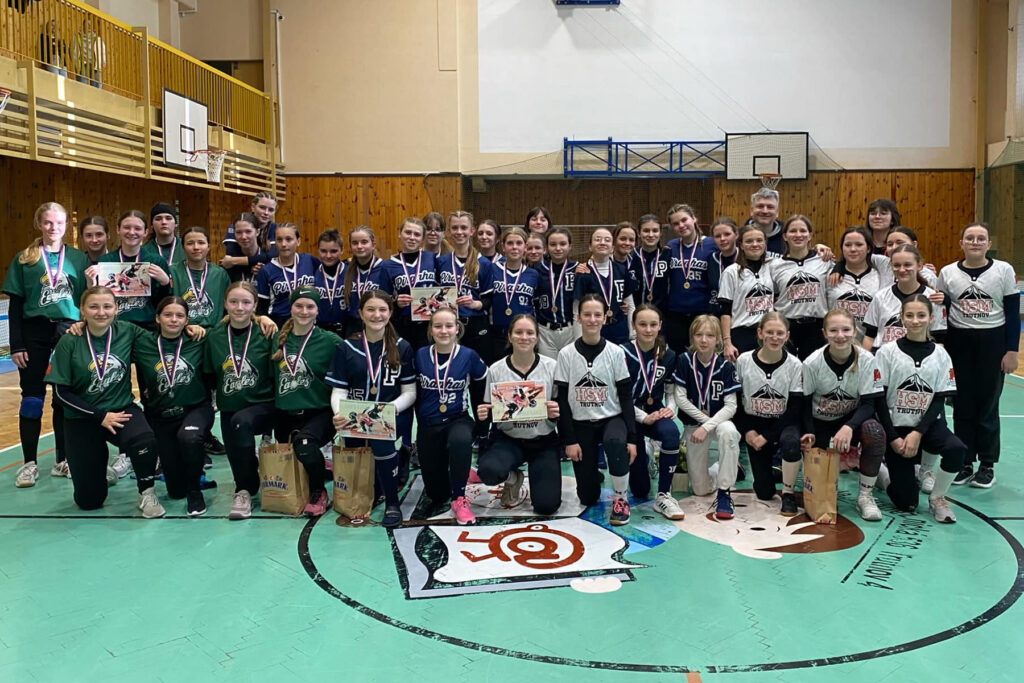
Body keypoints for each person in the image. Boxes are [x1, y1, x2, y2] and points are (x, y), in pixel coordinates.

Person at [45, 286, 164, 517]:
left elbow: (164, 338)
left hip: (120, 410)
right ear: (82, 310)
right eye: (94, 307)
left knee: (144, 439)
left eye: (107, 306)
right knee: (89, 501)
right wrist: (99, 416)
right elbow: (60, 393)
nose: (101, 312)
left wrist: (192, 328)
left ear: (116, 309)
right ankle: (99, 473)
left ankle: (147, 491)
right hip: (82, 418)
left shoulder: (127, 331)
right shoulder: (69, 341)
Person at [3, 202, 89, 487]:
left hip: (69, 330)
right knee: (32, 399)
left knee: (64, 398)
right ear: (38, 223)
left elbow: (87, 300)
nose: (54, 227)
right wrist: (16, 344)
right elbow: (16, 306)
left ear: (67, 226)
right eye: (48, 222)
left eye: (59, 223)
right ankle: (29, 464)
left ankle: (63, 460)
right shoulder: (24, 258)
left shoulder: (78, 258)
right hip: (34, 332)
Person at [937, 222, 1019, 488]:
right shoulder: (948, 272)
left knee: (987, 405)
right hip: (959, 342)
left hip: (992, 342)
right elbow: (942, 310)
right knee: (962, 405)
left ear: (988, 244)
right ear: (961, 243)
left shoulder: (1003, 270)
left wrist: (1012, 350)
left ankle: (987, 464)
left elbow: (1012, 313)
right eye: (969, 238)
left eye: (980, 238)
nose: (975, 242)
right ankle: (965, 461)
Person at [327, 290, 417, 528]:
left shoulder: (402, 347)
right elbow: (339, 390)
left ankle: (393, 503)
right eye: (370, 309)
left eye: (382, 310)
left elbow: (410, 392)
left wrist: (389, 410)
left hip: (391, 416)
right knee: (358, 454)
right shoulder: (347, 347)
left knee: (380, 441)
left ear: (390, 313)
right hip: (355, 417)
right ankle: (366, 494)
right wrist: (339, 413)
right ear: (360, 313)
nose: (377, 315)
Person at [874, 295, 964, 523]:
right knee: (907, 504)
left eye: (921, 315)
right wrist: (893, 438)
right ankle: (884, 476)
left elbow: (939, 399)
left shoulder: (941, 355)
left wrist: (918, 433)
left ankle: (937, 498)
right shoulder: (887, 352)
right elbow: (879, 399)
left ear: (931, 318)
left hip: (927, 426)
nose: (915, 321)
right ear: (901, 318)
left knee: (956, 449)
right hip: (896, 429)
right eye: (910, 315)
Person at [555, 294, 638, 525]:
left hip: (611, 418)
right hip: (581, 423)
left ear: (605, 318)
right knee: (588, 497)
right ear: (579, 318)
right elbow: (562, 400)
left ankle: (620, 498)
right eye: (587, 314)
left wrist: (632, 438)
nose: (592, 319)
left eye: (597, 315)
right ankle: (592, 474)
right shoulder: (566, 354)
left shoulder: (616, 352)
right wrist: (569, 440)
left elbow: (626, 397)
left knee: (615, 442)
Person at [801, 309, 887, 521]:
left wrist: (849, 427)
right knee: (824, 499)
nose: (840, 335)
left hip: (850, 422)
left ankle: (865, 495)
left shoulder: (866, 359)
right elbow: (804, 404)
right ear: (824, 333)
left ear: (855, 331)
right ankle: (855, 463)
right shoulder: (812, 362)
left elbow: (869, 404)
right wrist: (809, 433)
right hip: (820, 423)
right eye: (833, 330)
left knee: (874, 431)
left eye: (846, 330)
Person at [475, 315, 562, 515]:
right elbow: (492, 411)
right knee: (488, 471)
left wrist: (554, 412)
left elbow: (561, 407)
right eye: (519, 332)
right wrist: (484, 415)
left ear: (537, 338)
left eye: (530, 333)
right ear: (510, 336)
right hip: (509, 440)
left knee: (547, 506)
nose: (524, 337)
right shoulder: (496, 369)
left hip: (543, 441)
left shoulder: (551, 366)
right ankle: (513, 478)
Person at [204, 282, 276, 520]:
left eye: (246, 302)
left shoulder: (266, 332)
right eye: (233, 302)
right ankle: (244, 488)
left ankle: (246, 487)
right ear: (225, 304)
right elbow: (210, 374)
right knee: (235, 450)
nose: (239, 307)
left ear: (255, 306)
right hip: (230, 404)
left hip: (263, 404)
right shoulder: (214, 336)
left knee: (241, 422)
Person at [134, 296, 212, 516]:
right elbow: (111, 327)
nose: (174, 320)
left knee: (190, 438)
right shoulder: (142, 342)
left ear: (187, 320)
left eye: (180, 316)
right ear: (157, 318)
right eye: (168, 315)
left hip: (194, 409)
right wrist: (81, 323)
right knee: (176, 491)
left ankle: (195, 491)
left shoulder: (199, 339)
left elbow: (232, 326)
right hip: (160, 415)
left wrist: (262, 318)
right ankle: (184, 483)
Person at [271, 287, 342, 517]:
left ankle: (318, 491)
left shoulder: (330, 341)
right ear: (290, 308)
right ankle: (321, 466)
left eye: (310, 306)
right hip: (285, 413)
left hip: (319, 412)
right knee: (293, 456)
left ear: (317, 310)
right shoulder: (276, 339)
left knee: (304, 445)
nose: (304, 311)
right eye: (298, 306)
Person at [414, 307, 488, 524]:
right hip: (429, 423)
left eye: (449, 326)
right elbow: (413, 393)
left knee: (460, 440)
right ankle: (461, 470)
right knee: (437, 494)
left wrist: (483, 425)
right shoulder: (420, 355)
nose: (444, 331)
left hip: (458, 418)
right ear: (431, 330)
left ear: (457, 328)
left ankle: (459, 498)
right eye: (438, 326)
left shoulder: (468, 355)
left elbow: (482, 386)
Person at [734, 313, 804, 515]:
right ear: (760, 333)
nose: (775, 337)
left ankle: (788, 494)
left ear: (787, 336)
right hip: (754, 425)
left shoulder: (795, 365)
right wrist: (748, 431)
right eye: (769, 332)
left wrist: (767, 436)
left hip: (783, 423)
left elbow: (794, 409)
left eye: (780, 333)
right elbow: (737, 402)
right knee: (764, 492)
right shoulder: (744, 361)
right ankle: (774, 472)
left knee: (791, 443)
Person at [673, 315, 742, 519]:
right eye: (699, 335)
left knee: (729, 432)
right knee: (700, 490)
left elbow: (731, 406)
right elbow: (680, 399)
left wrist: (708, 426)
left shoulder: (726, 366)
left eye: (710, 335)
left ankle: (724, 492)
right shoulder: (684, 361)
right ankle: (724, 467)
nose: (704, 340)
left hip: (719, 424)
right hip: (695, 427)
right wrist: (705, 424)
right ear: (692, 337)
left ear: (718, 339)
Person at [622, 305, 682, 520]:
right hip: (628, 413)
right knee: (640, 491)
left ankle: (664, 494)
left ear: (660, 326)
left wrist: (669, 408)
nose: (648, 330)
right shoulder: (622, 353)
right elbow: (619, 396)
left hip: (654, 410)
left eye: (653, 325)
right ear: (634, 326)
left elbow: (670, 390)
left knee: (671, 433)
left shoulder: (668, 355)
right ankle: (646, 452)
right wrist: (643, 417)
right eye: (643, 324)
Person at [93, 210, 172, 330]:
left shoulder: (156, 261)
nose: (131, 232)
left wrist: (165, 283)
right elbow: (98, 297)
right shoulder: (105, 260)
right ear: (118, 229)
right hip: (114, 326)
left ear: (145, 232)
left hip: (147, 326)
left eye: (137, 228)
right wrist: (91, 283)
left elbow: (165, 302)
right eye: (126, 227)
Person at [862, 244, 946, 349]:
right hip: (883, 356)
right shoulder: (880, 297)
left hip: (919, 356)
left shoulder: (933, 297)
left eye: (907, 265)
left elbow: (938, 340)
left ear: (919, 265)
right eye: (896, 265)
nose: (901, 270)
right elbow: (869, 336)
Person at [771, 215, 830, 359]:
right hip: (787, 326)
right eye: (793, 231)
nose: (798, 235)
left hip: (817, 327)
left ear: (810, 235)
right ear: (785, 236)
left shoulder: (824, 260)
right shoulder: (774, 265)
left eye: (803, 231)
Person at [437, 210, 492, 359]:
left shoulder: (484, 263)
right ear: (448, 231)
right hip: (448, 324)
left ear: (472, 231)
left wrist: (474, 304)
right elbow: (435, 294)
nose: (459, 232)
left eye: (463, 228)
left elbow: (488, 300)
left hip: (475, 323)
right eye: (455, 228)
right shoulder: (441, 262)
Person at [719, 225, 775, 361]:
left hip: (768, 332)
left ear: (765, 243)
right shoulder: (731, 272)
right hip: (742, 333)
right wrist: (727, 343)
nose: (755, 244)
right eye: (749, 241)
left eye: (759, 240)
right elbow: (725, 311)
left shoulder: (773, 266)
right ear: (741, 245)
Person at [827, 226, 893, 342]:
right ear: (842, 248)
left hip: (871, 343)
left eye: (859, 244)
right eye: (848, 245)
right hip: (838, 342)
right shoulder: (830, 275)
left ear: (868, 248)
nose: (853, 249)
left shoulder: (879, 275)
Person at [664, 204, 715, 352]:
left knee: (702, 353)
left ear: (693, 218)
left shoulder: (711, 244)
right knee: (678, 355)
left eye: (684, 220)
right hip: (675, 313)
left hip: (702, 312)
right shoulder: (671, 246)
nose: (681, 225)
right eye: (675, 223)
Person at [575, 226, 635, 345]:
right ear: (590, 246)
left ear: (612, 248)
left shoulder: (622, 270)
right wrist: (578, 339)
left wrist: (633, 334)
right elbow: (576, 310)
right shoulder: (583, 273)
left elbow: (630, 304)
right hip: (594, 330)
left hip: (620, 329)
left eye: (607, 240)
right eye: (597, 239)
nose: (602, 242)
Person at [487, 228, 539, 364]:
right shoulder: (492, 269)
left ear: (525, 247)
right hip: (498, 332)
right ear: (503, 247)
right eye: (510, 243)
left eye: (519, 243)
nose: (514, 247)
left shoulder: (533, 274)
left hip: (524, 334)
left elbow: (536, 304)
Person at [384, 217, 437, 349]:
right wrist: (396, 302)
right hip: (403, 324)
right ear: (400, 234)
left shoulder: (432, 259)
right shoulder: (388, 265)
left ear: (423, 238)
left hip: (429, 323)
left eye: (417, 234)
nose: (412, 237)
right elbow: (383, 299)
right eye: (408, 232)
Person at [254, 223, 319, 326]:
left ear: (298, 241)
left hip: (308, 320)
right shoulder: (266, 270)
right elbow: (261, 309)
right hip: (279, 323)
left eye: (288, 239)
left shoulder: (309, 260)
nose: (283, 244)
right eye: (279, 240)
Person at [170, 227, 230, 329]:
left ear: (208, 247)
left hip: (214, 332)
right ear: (183, 247)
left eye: (201, 243)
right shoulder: (173, 272)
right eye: (190, 243)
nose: (196, 247)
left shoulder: (220, 274)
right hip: (182, 331)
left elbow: (229, 304)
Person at [533, 227, 579, 359]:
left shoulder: (578, 269)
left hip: (571, 329)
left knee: (570, 367)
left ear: (570, 246)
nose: (558, 248)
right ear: (546, 247)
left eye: (563, 244)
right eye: (553, 244)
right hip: (545, 331)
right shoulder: (537, 269)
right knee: (548, 368)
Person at [341, 226, 390, 337]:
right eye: (355, 243)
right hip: (353, 327)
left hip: (378, 324)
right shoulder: (345, 269)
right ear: (350, 246)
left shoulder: (385, 268)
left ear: (373, 245)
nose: (359, 246)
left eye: (364, 242)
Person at [631, 214, 671, 312]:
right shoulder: (631, 256)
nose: (651, 235)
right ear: (638, 233)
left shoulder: (668, 255)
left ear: (660, 233)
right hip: (635, 313)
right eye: (646, 230)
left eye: (655, 230)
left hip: (662, 313)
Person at [223, 191, 278, 258]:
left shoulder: (277, 229)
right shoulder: (238, 226)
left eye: (271, 210)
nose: (266, 213)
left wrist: (246, 261)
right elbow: (231, 256)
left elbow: (273, 256)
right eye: (262, 207)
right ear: (253, 207)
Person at [312, 229, 347, 335]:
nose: (328, 256)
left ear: (342, 250)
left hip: (347, 330)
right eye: (323, 251)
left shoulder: (351, 272)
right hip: (320, 330)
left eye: (333, 251)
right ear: (318, 250)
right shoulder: (312, 272)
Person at [220, 212, 268, 283]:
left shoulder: (268, 261)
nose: (243, 237)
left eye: (248, 231)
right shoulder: (229, 264)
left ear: (257, 232)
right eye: (238, 232)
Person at [706, 217, 739, 316]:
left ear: (736, 234)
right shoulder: (710, 259)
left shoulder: (745, 259)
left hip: (739, 317)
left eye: (727, 234)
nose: (722, 239)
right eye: (717, 236)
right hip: (715, 316)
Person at [143, 202, 185, 267]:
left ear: (176, 224)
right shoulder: (144, 251)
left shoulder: (186, 246)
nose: (164, 222)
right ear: (152, 225)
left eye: (168, 218)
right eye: (158, 219)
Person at [746, 187, 785, 257]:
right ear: (751, 210)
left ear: (777, 212)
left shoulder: (787, 238)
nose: (765, 211)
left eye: (770, 207)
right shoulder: (739, 237)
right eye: (760, 206)